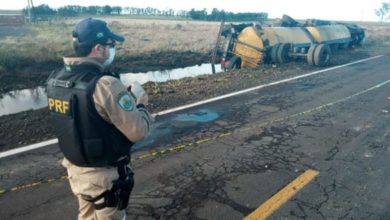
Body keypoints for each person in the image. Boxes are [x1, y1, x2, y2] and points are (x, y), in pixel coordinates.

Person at [46, 18, 153, 220]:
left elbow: (86, 116)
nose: (112, 50)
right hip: (103, 178)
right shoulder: (105, 85)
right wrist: (141, 105)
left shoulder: (56, 79)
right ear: (98, 48)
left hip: (76, 171)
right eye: (110, 46)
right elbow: (138, 130)